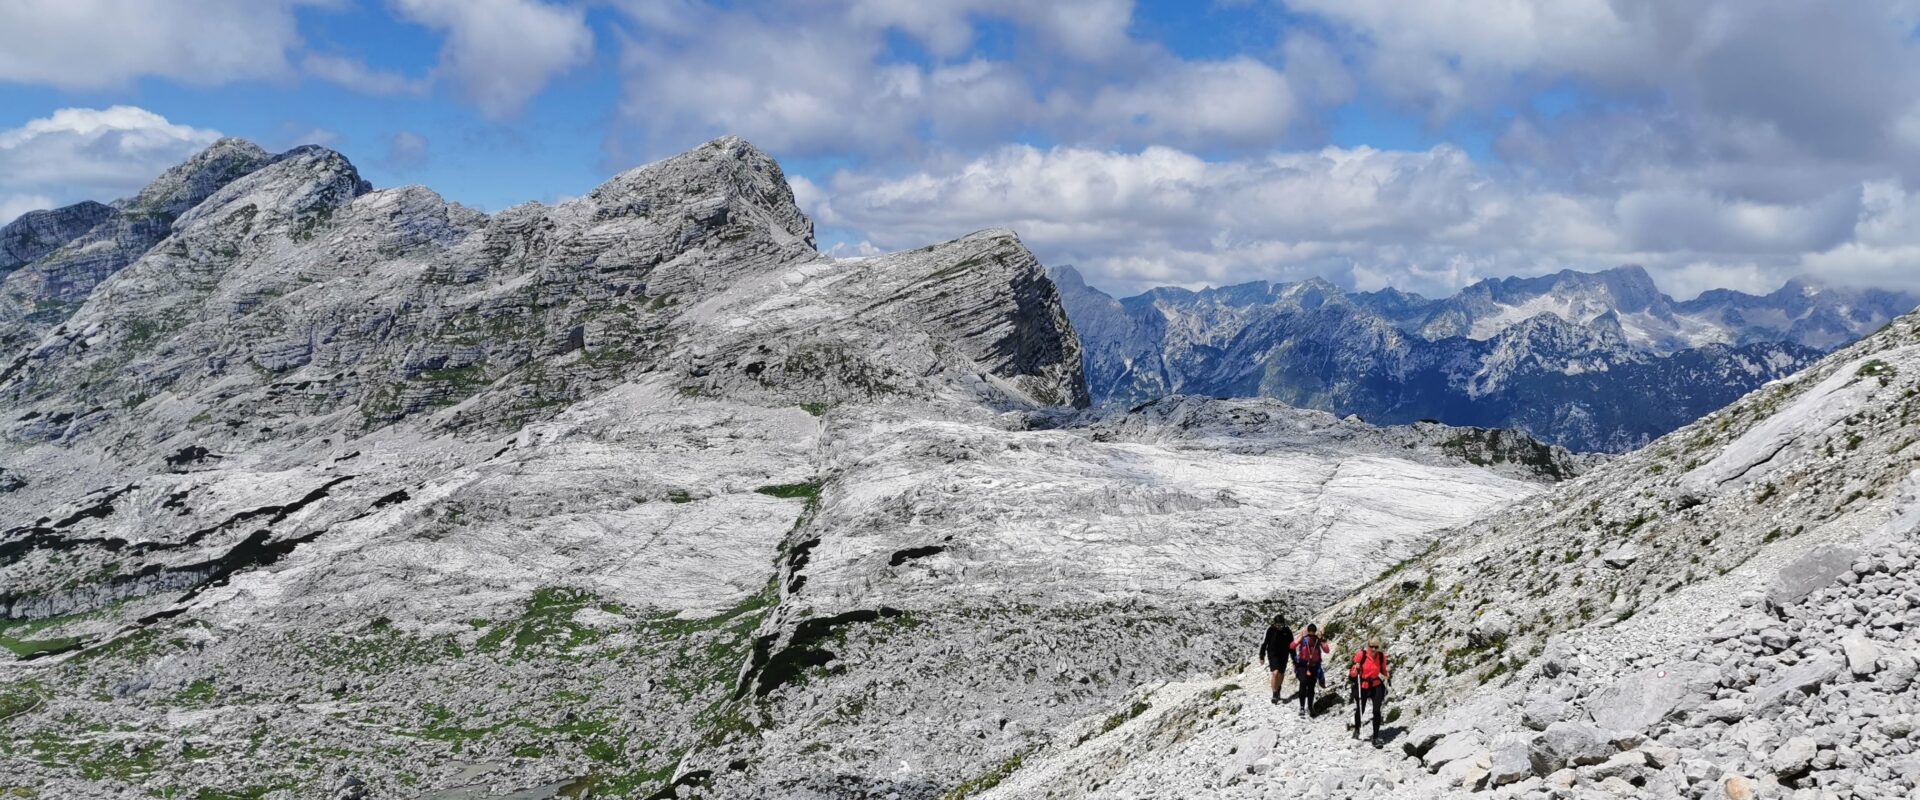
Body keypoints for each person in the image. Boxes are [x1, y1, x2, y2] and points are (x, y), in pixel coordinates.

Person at [1350, 637, 1391, 745]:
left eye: (1376, 647)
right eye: (1371, 646)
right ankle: (1357, 729)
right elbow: (1352, 672)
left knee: (1377, 710)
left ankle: (1375, 737)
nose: (1373, 649)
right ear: (1368, 646)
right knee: (1360, 709)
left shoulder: (1381, 656)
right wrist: (1356, 668)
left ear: (1378, 647)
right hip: (1362, 685)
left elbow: (1382, 669)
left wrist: (1387, 674)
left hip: (1376, 685)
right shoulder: (1361, 655)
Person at [1292, 624, 1330, 717]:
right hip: (1302, 665)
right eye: (1310, 632)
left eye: (1313, 633)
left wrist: (1323, 640)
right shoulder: (1303, 638)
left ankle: (1310, 707)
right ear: (1308, 631)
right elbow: (1292, 646)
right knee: (1303, 683)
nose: (1311, 635)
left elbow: (1327, 650)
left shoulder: (1318, 640)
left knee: (1311, 687)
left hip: (1314, 666)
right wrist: (1300, 636)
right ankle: (1301, 707)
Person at [1258, 617, 1294, 704]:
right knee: (1275, 673)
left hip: (1284, 654)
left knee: (1281, 673)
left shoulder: (1287, 631)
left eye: (1281, 625)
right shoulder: (1270, 630)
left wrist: (1294, 658)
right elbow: (1264, 643)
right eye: (1277, 625)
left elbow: (1292, 645)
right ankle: (1274, 694)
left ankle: (1278, 689)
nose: (1279, 627)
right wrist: (1262, 655)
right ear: (1274, 624)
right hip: (1273, 654)